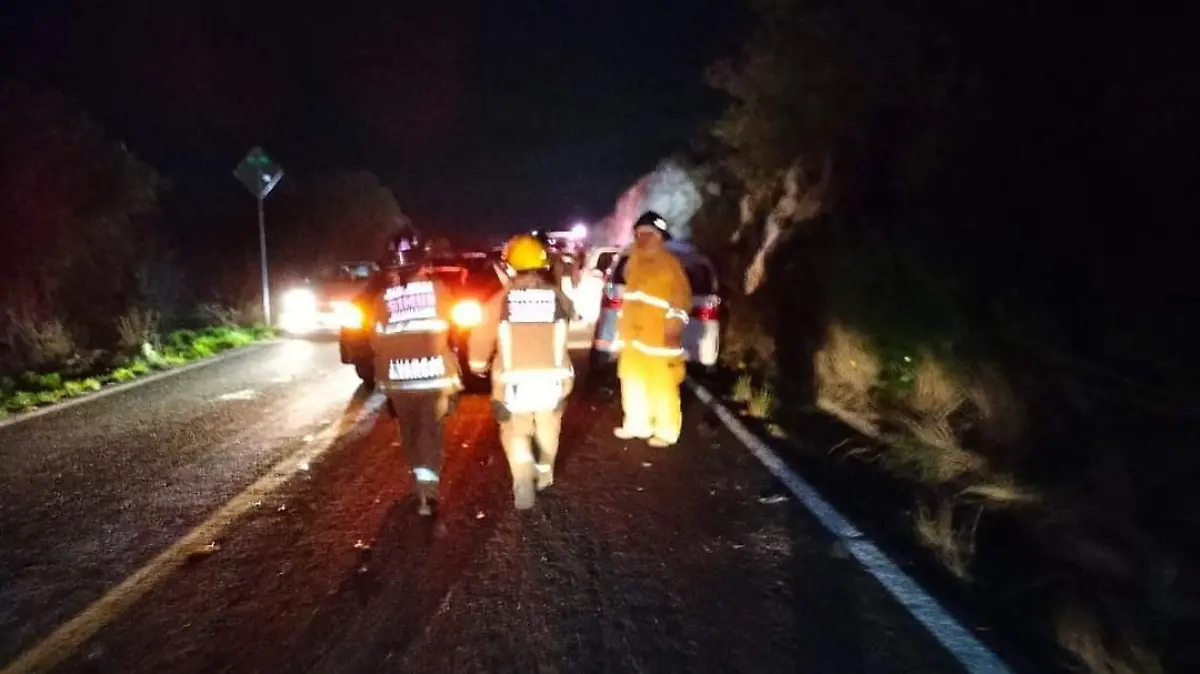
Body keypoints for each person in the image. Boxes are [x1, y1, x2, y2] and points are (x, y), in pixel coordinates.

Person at [469, 233, 575, 510]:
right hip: (555, 382)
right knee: (549, 428)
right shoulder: (558, 297)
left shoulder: (501, 300)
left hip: (513, 385)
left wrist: (478, 366)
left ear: (511, 266)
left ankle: (523, 482)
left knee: (515, 432)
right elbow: (570, 316)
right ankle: (545, 472)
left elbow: (481, 338)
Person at [370, 231, 463, 516]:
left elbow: (375, 341)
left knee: (410, 433)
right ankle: (427, 493)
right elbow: (453, 328)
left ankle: (419, 485)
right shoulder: (439, 291)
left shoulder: (382, 300)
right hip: (434, 378)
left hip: (397, 381)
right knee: (430, 433)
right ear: (423, 263)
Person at [612, 211, 692, 447]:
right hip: (633, 339)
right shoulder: (633, 262)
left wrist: (673, 328)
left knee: (662, 387)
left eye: (649, 234)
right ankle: (638, 424)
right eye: (639, 234)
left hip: (659, 339)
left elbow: (682, 300)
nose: (643, 239)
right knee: (632, 383)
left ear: (660, 238)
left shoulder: (670, 265)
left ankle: (666, 431)